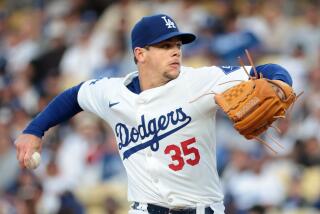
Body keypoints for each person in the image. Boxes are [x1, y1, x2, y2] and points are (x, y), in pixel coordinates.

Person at [15, 14, 293, 214]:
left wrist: (281, 84)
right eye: (164, 46)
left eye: (177, 46)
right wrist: (34, 130)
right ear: (140, 54)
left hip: (201, 209)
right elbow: (73, 96)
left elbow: (265, 71)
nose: (175, 52)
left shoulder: (201, 80)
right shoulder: (112, 92)